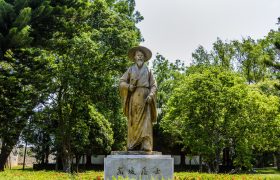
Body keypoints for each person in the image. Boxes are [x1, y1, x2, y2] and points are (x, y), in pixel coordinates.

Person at [119, 46, 157, 151]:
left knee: (146, 122)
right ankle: (133, 144)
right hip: (134, 98)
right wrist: (128, 86)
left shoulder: (149, 70)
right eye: (138, 55)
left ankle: (145, 144)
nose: (140, 57)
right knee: (133, 121)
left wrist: (151, 95)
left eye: (141, 56)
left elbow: (154, 85)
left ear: (144, 58)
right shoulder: (130, 69)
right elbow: (121, 82)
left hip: (145, 99)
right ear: (135, 57)